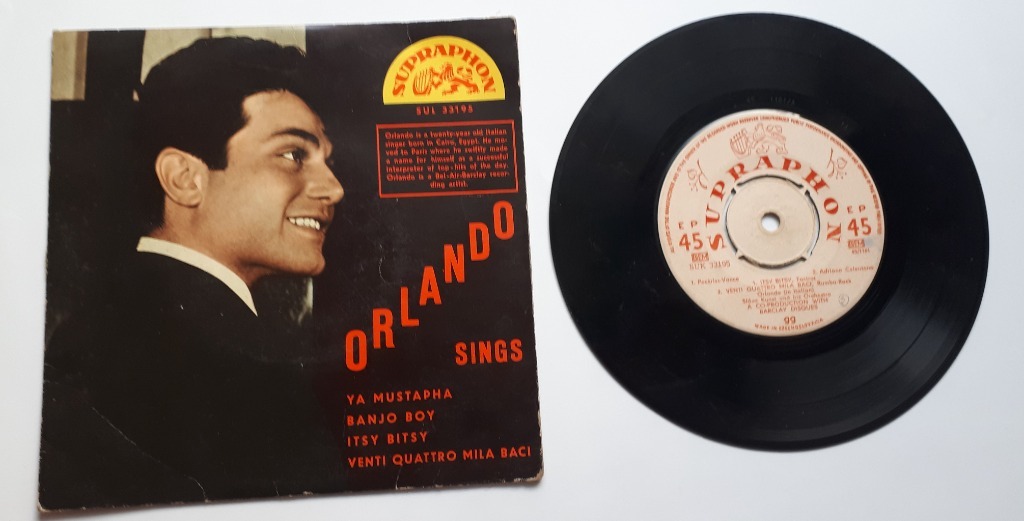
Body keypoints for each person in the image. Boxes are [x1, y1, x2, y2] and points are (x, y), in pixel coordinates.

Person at [39, 36, 346, 510]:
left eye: (328, 160)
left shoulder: (113, 327)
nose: (334, 188)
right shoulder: (209, 363)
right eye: (293, 155)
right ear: (184, 178)